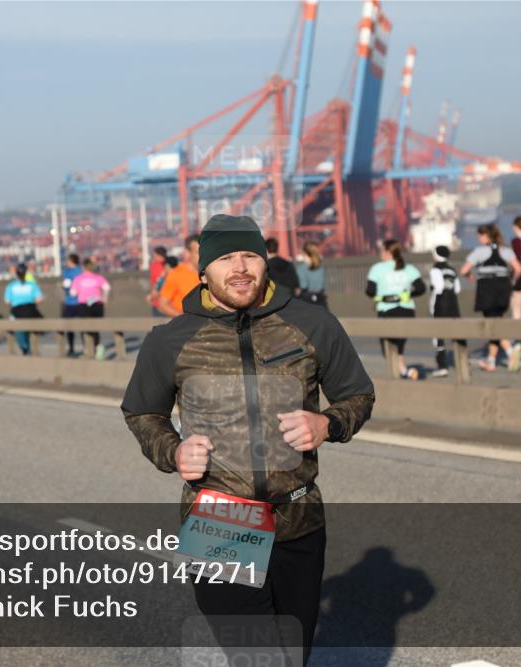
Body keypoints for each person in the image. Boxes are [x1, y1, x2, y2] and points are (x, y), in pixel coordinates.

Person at [121, 214, 374, 663]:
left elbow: (357, 394)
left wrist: (328, 424)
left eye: (249, 256)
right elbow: (143, 412)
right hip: (220, 520)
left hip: (299, 517)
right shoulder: (171, 340)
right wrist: (172, 450)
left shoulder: (313, 324)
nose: (239, 268)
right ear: (203, 272)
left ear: (264, 261)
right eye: (225, 259)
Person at [460, 224, 521, 373]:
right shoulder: (506, 250)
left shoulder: (479, 251)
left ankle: (510, 351)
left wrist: (469, 276)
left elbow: (463, 270)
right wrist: (511, 282)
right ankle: (491, 360)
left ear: (486, 236)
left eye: (480, 235)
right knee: (496, 322)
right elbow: (518, 269)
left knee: (492, 325)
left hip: (487, 290)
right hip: (503, 289)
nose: (478, 238)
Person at [365, 239, 427, 380]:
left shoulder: (377, 268)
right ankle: (404, 371)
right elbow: (421, 288)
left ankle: (404, 373)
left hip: (387, 310)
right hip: (407, 310)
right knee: (399, 345)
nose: (380, 253)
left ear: (388, 252)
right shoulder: (409, 268)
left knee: (387, 347)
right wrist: (406, 295)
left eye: (382, 250)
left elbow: (370, 291)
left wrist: (382, 296)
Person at [427, 245, 461, 378]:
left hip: (441, 304)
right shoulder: (452, 269)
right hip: (453, 303)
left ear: (436, 255)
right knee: (457, 333)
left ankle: (442, 366)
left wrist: (432, 306)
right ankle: (462, 362)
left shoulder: (435, 269)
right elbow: (457, 289)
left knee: (438, 336)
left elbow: (438, 287)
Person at [70, 258, 111, 359]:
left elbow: (73, 293)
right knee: (96, 328)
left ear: (83, 267)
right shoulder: (98, 277)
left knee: (85, 327)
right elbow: (107, 288)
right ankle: (98, 348)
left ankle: (87, 349)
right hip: (97, 304)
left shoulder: (78, 279)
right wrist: (105, 299)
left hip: (84, 305)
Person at [4, 263, 44, 355]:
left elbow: (7, 301)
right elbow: (39, 298)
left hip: (17, 311)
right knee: (32, 330)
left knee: (18, 330)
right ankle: (32, 349)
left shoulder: (11, 286)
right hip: (31, 310)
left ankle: (25, 348)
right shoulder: (32, 285)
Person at [157, 234, 201, 317]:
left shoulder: (211, 273)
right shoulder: (176, 274)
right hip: (187, 323)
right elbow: (162, 305)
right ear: (189, 253)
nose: (203, 256)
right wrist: (183, 319)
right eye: (199, 253)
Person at [61, 254, 83, 355]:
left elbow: (66, 285)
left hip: (75, 302)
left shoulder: (73, 271)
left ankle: (72, 348)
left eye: (68, 260)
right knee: (73, 326)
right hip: (73, 302)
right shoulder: (79, 270)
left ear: (71, 261)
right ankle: (81, 347)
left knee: (74, 326)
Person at [296, 241, 327, 308]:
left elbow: (303, 286)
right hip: (320, 299)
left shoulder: (301, 268)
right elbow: (322, 286)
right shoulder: (320, 267)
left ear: (305, 253)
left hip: (307, 300)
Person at [147, 246, 169, 316]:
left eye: (154, 255)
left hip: (159, 302)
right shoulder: (169, 266)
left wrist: (152, 296)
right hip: (168, 301)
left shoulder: (156, 266)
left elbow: (159, 282)